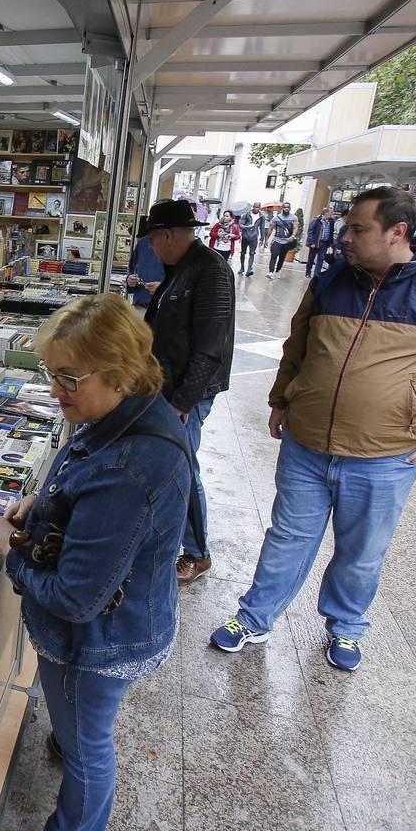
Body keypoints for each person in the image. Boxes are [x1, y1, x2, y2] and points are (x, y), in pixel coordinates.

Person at [210, 186, 416, 671]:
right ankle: (254, 617)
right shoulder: (331, 280)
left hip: (387, 456)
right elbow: (298, 346)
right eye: (347, 227)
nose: (345, 237)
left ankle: (346, 628)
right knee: (287, 536)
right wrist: (282, 399)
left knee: (362, 551)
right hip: (307, 445)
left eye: (358, 229)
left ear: (398, 232)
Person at [0, 294, 188, 831]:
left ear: (118, 373)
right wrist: (42, 505)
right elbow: (85, 488)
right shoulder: (128, 411)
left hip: (99, 640)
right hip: (123, 622)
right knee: (83, 724)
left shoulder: (128, 466)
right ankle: (71, 738)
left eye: (68, 378)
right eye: (52, 374)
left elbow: (76, 599)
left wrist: (10, 550)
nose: (54, 391)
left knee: (89, 744)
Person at [141, 198, 235, 586]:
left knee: (184, 468)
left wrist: (184, 401)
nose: (149, 247)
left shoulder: (210, 271)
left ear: (165, 235)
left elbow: (211, 346)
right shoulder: (181, 269)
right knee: (172, 464)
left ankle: (197, 552)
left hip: (185, 394)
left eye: (152, 239)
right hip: (168, 385)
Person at [125, 216, 165, 309]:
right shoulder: (142, 244)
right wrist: (130, 281)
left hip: (164, 309)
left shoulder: (179, 248)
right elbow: (132, 271)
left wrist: (163, 289)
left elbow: (185, 284)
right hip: (140, 306)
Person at [265, 202, 298, 278]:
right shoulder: (276, 218)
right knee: (274, 255)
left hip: (287, 241)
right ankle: (270, 272)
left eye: (288, 207)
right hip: (277, 240)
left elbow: (295, 227)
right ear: (282, 208)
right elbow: (271, 228)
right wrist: (266, 239)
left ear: (290, 208)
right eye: (285, 207)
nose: (286, 208)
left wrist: (293, 236)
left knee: (282, 257)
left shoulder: (294, 218)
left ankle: (277, 271)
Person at [304, 207, 337, 279]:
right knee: (311, 258)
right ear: (326, 213)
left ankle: (316, 274)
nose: (332, 214)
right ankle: (308, 272)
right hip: (315, 242)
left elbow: (331, 232)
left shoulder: (331, 221)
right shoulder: (317, 220)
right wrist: (312, 242)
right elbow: (310, 231)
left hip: (324, 243)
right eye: (331, 212)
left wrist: (330, 244)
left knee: (321, 258)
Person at [236, 203, 264, 276]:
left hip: (254, 237)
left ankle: (249, 269)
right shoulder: (247, 214)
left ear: (259, 208)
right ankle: (242, 267)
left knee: (252, 253)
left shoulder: (261, 216)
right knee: (243, 252)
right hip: (245, 236)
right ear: (253, 207)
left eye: (258, 207)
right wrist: (247, 227)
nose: (256, 209)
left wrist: (262, 238)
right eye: (255, 207)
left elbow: (262, 227)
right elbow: (241, 224)